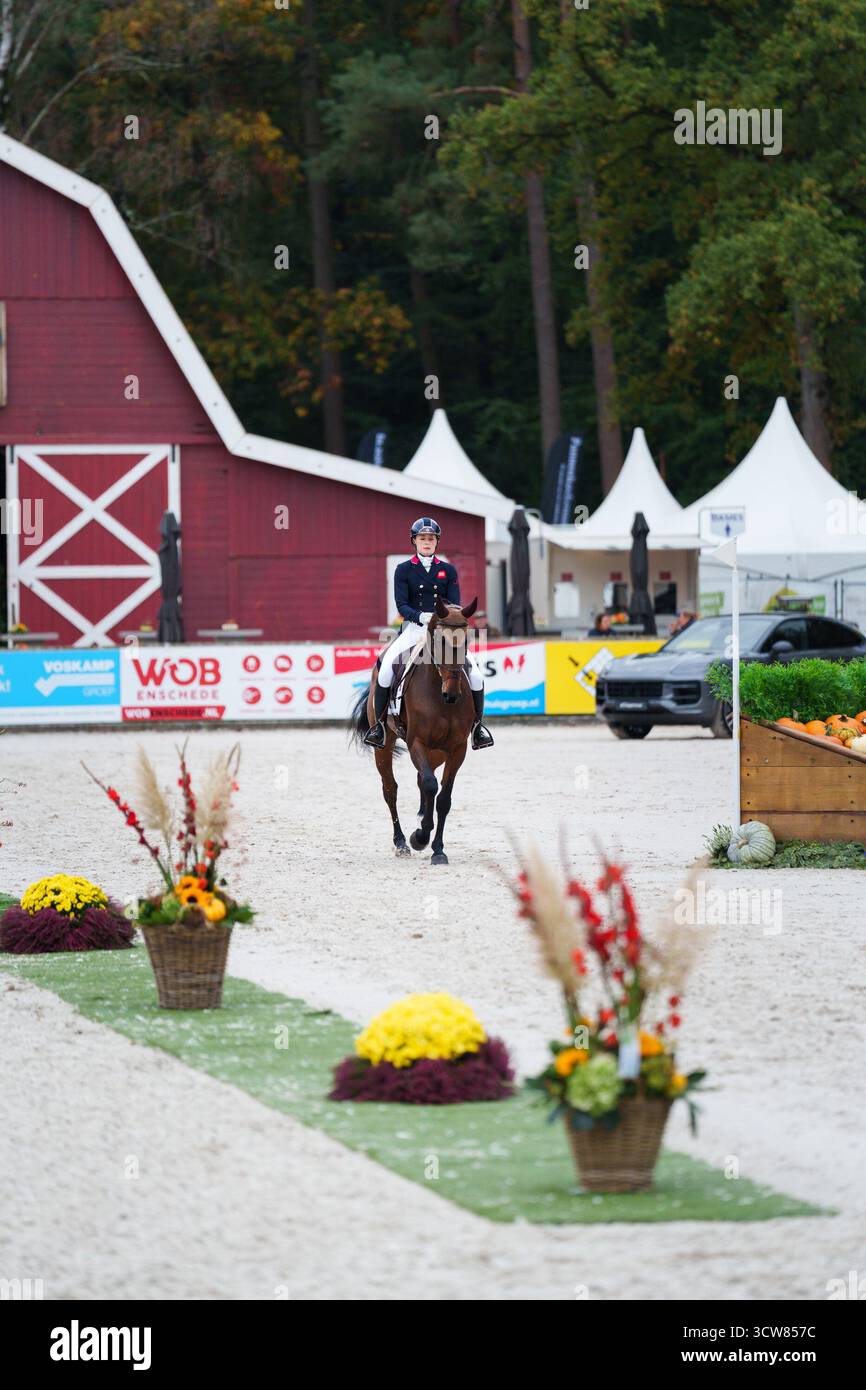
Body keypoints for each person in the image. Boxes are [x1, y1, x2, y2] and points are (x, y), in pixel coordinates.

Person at [363, 517, 494, 750]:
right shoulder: (403, 570)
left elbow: (454, 603)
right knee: (385, 671)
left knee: (475, 675)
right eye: (422, 538)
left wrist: (441, 618)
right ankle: (379, 727)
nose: (426, 542)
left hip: (443, 629)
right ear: (414, 541)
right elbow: (401, 604)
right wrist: (420, 616)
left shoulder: (447, 570)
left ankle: (477, 728)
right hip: (414, 628)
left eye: (431, 538)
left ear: (436, 542)